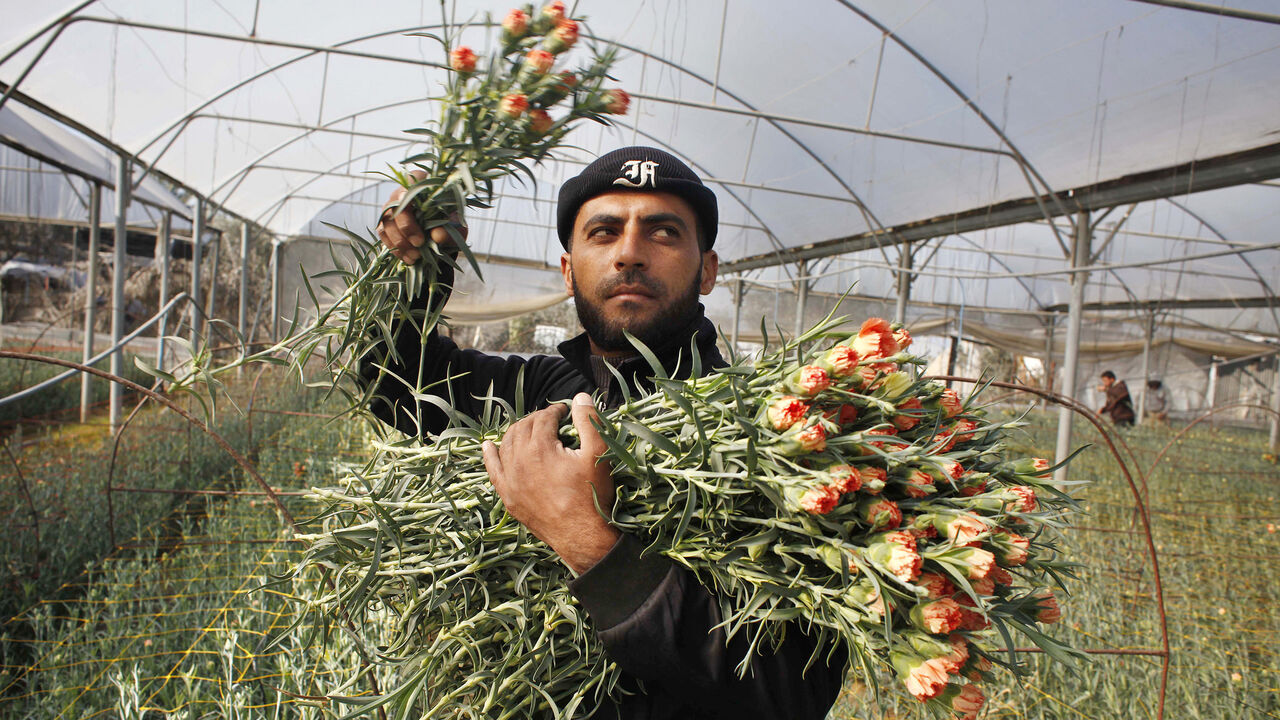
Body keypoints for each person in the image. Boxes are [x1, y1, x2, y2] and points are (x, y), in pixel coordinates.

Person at [367, 146, 846, 720]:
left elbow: (789, 694)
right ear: (569, 270)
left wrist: (589, 542)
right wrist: (417, 270)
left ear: (708, 270)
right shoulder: (536, 391)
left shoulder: (774, 434)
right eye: (603, 231)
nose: (629, 254)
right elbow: (400, 386)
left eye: (663, 232)